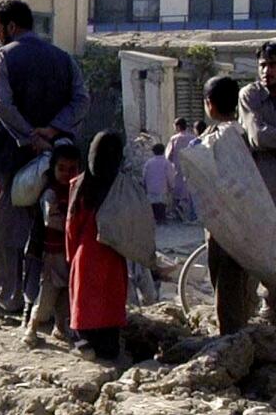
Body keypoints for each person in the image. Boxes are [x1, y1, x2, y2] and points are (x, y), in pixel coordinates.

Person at [0, 0, 89, 319]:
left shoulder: (1, 58)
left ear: (11, 27)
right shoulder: (63, 59)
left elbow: (2, 105)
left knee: (4, 231)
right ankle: (48, 304)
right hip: (58, 159)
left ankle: (9, 299)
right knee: (51, 231)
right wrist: (53, 130)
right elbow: (81, 100)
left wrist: (31, 136)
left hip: (10, 159)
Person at [239, 41, 276, 327]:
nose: (266, 71)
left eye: (272, 65)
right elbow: (257, 136)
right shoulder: (249, 96)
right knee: (253, 254)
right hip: (255, 189)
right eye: (262, 64)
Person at [201, 75, 256, 335]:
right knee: (238, 280)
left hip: (221, 221)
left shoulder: (213, 138)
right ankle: (238, 329)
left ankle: (232, 339)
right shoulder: (244, 134)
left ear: (209, 104)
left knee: (225, 281)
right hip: (243, 219)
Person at [67, 131, 129, 359]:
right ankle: (109, 348)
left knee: (85, 309)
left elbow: (71, 227)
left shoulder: (80, 185)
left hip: (86, 254)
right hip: (113, 254)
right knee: (109, 307)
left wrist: (70, 255)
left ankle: (84, 344)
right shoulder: (121, 186)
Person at [22, 140, 81, 347]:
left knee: (65, 295)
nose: (66, 173)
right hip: (53, 254)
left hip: (69, 255)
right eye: (61, 168)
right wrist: (73, 225)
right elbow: (50, 220)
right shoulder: (51, 194)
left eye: (72, 169)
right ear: (53, 169)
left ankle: (61, 327)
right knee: (47, 296)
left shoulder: (76, 192)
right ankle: (32, 327)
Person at [165, 117, 197, 220]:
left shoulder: (174, 139)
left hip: (178, 169)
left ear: (177, 126)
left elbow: (168, 155)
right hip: (190, 170)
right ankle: (191, 215)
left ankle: (178, 213)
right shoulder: (193, 138)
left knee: (177, 193)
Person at [143, 142, 176, 223]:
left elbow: (144, 175)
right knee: (162, 203)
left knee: (153, 203)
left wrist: (145, 185)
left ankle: (155, 218)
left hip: (151, 187)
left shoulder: (149, 162)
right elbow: (170, 175)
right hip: (162, 187)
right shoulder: (166, 163)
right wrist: (172, 185)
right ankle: (161, 218)